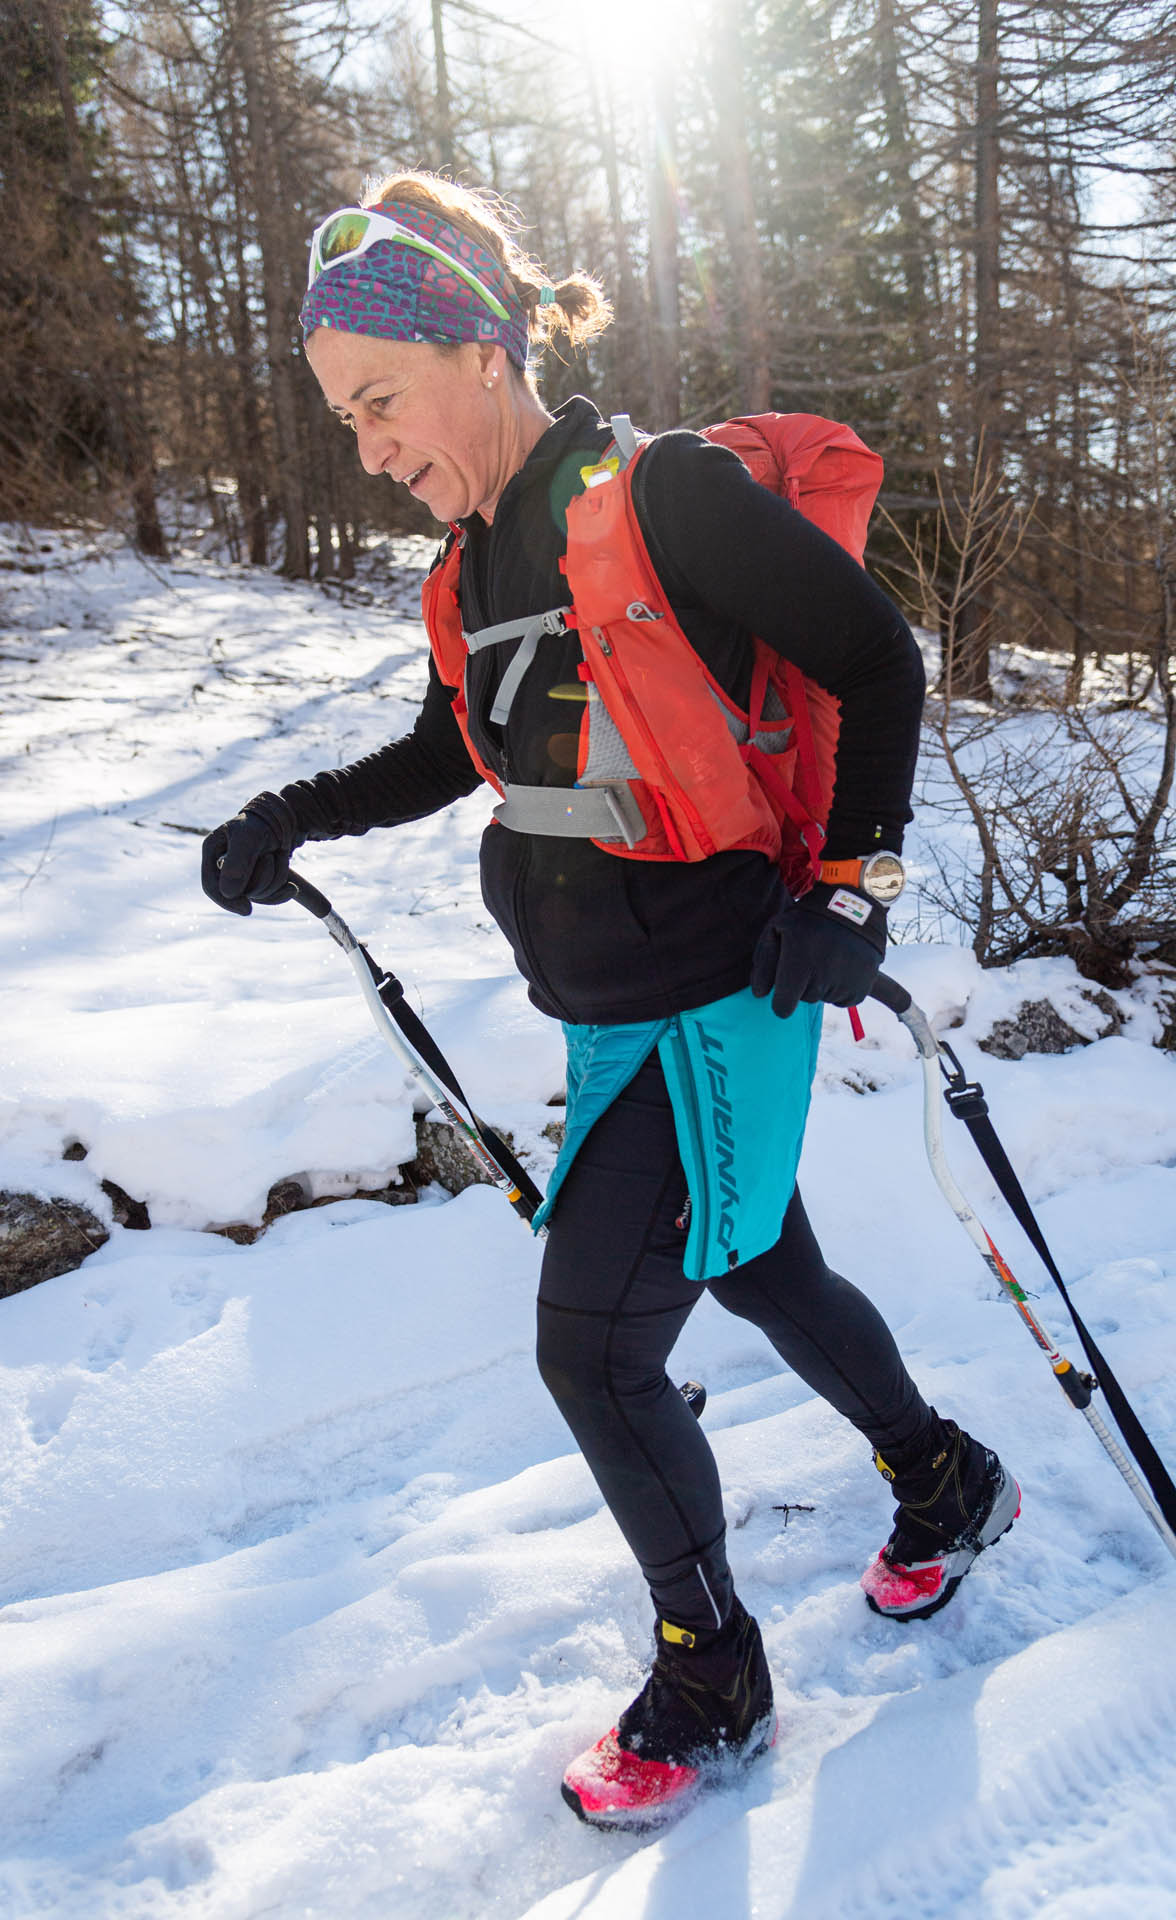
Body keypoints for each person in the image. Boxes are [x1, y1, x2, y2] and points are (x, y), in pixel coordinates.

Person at [201, 173, 1019, 1830]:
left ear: (480, 351)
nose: (367, 445)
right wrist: (293, 813)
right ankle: (946, 1476)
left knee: (592, 1350)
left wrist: (854, 887)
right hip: (607, 1007)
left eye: (380, 398)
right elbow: (453, 751)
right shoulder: (474, 565)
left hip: (721, 988)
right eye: (344, 416)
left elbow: (878, 658)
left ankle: (712, 1672)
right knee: (759, 1260)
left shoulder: (661, 497)